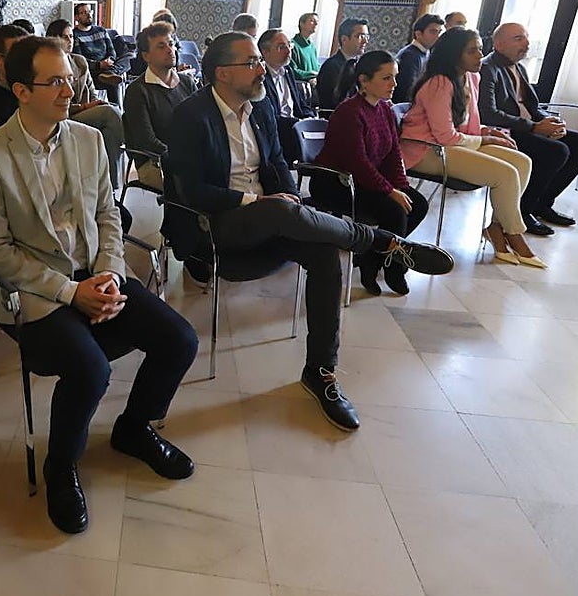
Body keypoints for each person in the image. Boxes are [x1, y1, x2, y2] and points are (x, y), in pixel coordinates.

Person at [0, 36, 198, 535]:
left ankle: (133, 429)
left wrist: (110, 274)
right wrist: (72, 292)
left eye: (71, 77)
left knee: (180, 339)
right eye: (56, 82)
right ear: (22, 90)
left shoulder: (88, 140)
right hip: (36, 293)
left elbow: (109, 215)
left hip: (96, 273)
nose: (70, 90)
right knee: (90, 368)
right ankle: (60, 468)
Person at [166, 32, 455, 431]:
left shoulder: (260, 106)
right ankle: (379, 241)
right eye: (251, 62)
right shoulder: (190, 116)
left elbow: (278, 162)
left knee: (321, 252)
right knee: (282, 211)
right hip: (217, 222)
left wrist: (285, 193)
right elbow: (192, 190)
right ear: (222, 73)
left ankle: (321, 372)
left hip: (271, 216)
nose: (261, 69)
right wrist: (257, 203)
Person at [400, 28, 544, 267]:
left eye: (479, 48)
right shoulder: (439, 83)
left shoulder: (471, 77)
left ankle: (497, 228)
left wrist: (487, 131)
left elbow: (469, 125)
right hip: (426, 150)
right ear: (454, 55)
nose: (480, 55)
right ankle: (515, 235)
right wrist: (485, 141)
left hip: (451, 144)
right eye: (472, 50)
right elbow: (445, 136)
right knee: (505, 173)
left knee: (521, 161)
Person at [311, 51, 429, 295]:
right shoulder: (349, 112)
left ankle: (373, 258)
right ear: (364, 80)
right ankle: (394, 266)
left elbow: (392, 152)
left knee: (418, 204)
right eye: (386, 78)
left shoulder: (385, 109)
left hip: (363, 180)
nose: (394, 84)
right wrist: (389, 191)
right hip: (336, 182)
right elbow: (357, 162)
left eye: (394, 77)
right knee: (394, 210)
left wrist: (401, 186)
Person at [479, 22, 578, 233]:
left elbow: (533, 107)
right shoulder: (487, 68)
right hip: (507, 132)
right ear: (499, 44)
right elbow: (489, 114)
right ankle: (523, 211)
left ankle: (542, 203)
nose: (526, 43)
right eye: (518, 39)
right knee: (557, 151)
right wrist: (534, 128)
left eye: (526, 38)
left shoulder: (519, 68)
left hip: (530, 127)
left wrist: (552, 123)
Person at [44, 18, 124, 190]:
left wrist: (95, 103)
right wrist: (84, 107)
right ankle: (132, 150)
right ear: (53, 39)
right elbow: (52, 102)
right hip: (66, 115)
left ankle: (110, 185)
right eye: (65, 37)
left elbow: (92, 92)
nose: (70, 41)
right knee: (110, 114)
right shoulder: (48, 65)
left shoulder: (79, 62)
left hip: (85, 112)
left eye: (71, 36)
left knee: (111, 122)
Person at [121, 21, 198, 191]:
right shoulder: (137, 91)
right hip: (155, 161)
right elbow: (147, 141)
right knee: (200, 184)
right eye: (161, 46)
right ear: (146, 56)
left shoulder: (187, 82)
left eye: (171, 44)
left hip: (190, 156)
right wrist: (183, 157)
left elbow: (201, 123)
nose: (170, 50)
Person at [260, 28, 315, 164]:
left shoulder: (288, 71)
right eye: (281, 47)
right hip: (277, 131)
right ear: (265, 52)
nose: (288, 51)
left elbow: (300, 105)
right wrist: (297, 123)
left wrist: (311, 117)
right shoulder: (260, 76)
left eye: (289, 45)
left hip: (295, 126)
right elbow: (267, 117)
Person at [72, 3, 126, 102]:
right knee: (112, 82)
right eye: (83, 13)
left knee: (129, 57)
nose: (88, 15)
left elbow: (112, 50)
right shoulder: (75, 35)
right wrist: (99, 65)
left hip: (109, 66)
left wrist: (110, 60)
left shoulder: (101, 30)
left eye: (89, 11)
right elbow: (79, 60)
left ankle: (112, 73)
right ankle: (116, 111)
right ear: (76, 17)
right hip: (94, 72)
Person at [316, 18, 369, 110]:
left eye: (366, 37)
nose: (365, 41)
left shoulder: (360, 65)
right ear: (344, 39)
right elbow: (333, 102)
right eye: (360, 36)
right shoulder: (331, 66)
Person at [394, 14, 444, 103]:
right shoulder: (410, 56)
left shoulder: (426, 52)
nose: (438, 37)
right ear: (418, 34)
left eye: (439, 32)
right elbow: (407, 91)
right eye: (433, 32)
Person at [290, 12, 321, 83]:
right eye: (312, 21)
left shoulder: (312, 46)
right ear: (302, 24)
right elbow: (293, 71)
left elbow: (316, 66)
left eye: (317, 22)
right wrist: (312, 75)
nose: (316, 24)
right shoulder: (293, 45)